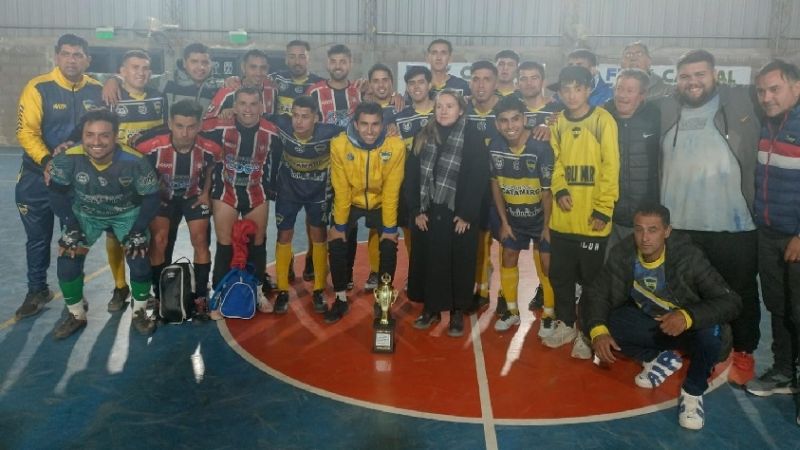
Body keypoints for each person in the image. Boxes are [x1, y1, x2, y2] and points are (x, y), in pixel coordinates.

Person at [584, 203, 741, 430]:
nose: (645, 238)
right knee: (599, 321)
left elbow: (731, 301)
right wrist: (598, 331)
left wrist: (687, 316)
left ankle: (692, 393)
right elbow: (597, 293)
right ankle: (657, 358)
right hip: (654, 325)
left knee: (711, 332)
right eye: (639, 229)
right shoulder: (623, 253)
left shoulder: (689, 257)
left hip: (689, 328)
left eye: (653, 230)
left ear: (667, 231)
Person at [659, 49, 761, 385]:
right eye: (686, 76)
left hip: (733, 224)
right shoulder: (666, 108)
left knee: (739, 291)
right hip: (680, 225)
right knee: (687, 293)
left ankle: (743, 350)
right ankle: (697, 347)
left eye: (700, 74)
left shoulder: (741, 101)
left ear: (715, 74)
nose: (693, 82)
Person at [48, 109, 160, 338]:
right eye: (89, 135)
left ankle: (139, 312)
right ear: (82, 135)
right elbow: (56, 193)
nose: (96, 142)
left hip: (125, 213)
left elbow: (151, 197)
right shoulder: (68, 157)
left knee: (139, 258)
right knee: (68, 258)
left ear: (116, 136)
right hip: (86, 214)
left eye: (104, 135)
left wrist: (138, 229)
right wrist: (71, 225)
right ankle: (76, 314)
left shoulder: (136, 161)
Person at [14, 33, 103, 320]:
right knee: (37, 239)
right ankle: (37, 290)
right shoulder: (38, 87)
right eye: (66, 54)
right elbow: (26, 132)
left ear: (88, 60)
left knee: (74, 239)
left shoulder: (98, 90)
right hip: (36, 178)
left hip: (77, 182)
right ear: (56, 57)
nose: (71, 60)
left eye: (78, 55)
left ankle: (73, 294)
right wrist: (47, 161)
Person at [544, 65, 619, 358]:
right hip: (563, 220)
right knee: (560, 276)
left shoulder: (603, 120)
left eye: (578, 88)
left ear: (589, 90)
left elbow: (611, 167)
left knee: (591, 282)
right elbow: (554, 161)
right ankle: (566, 324)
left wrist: (603, 208)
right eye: (566, 89)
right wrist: (560, 189)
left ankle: (588, 332)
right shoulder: (557, 122)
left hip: (592, 221)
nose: (572, 95)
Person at [406, 90, 490, 336]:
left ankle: (456, 312)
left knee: (459, 264)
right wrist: (416, 210)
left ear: (461, 110)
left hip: (458, 214)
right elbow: (411, 175)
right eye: (439, 106)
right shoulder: (423, 134)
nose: (443, 111)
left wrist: (467, 214)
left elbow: (478, 177)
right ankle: (430, 309)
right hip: (429, 213)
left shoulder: (472, 137)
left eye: (449, 106)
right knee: (429, 264)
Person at [746, 60, 800, 398]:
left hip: (795, 237)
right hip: (768, 233)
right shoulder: (765, 123)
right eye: (761, 91)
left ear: (796, 87)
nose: (767, 97)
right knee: (778, 307)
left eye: (775, 89)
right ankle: (783, 370)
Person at [134, 100, 221, 307]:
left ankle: (201, 295)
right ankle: (160, 294)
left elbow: (213, 167)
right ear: (170, 124)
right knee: (159, 240)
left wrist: (206, 193)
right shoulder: (149, 146)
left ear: (199, 126)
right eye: (179, 126)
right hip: (162, 198)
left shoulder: (211, 148)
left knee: (200, 240)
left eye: (191, 127)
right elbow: (134, 167)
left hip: (193, 197)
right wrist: (149, 193)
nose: (185, 133)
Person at [325, 102, 405, 324]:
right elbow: (341, 188)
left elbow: (392, 190)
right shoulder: (339, 145)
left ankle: (383, 301)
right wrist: (340, 227)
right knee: (337, 240)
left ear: (383, 124)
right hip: (351, 200)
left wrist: (390, 229)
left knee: (389, 243)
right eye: (364, 124)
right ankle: (340, 298)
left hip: (381, 202)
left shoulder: (396, 146)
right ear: (355, 124)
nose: (370, 130)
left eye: (375, 124)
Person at [203, 87, 280, 312]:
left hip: (256, 192)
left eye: (253, 104)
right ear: (234, 107)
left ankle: (258, 291)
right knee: (225, 244)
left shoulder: (272, 133)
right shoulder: (219, 127)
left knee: (257, 243)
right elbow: (191, 130)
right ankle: (219, 293)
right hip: (226, 191)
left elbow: (281, 159)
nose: (248, 109)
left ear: (261, 107)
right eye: (243, 104)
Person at [103, 49, 168, 312]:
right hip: (118, 181)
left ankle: (148, 287)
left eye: (145, 68)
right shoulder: (110, 96)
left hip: (151, 179)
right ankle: (120, 286)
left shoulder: (159, 97)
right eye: (134, 67)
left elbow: (165, 133)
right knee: (114, 234)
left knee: (148, 233)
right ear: (122, 71)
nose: (141, 72)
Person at [488, 96, 554, 333]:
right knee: (508, 257)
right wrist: (504, 222)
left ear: (525, 119)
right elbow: (495, 184)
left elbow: (547, 192)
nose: (510, 126)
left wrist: (546, 226)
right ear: (497, 124)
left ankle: (550, 314)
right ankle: (512, 311)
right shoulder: (495, 146)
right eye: (504, 121)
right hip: (514, 218)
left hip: (541, 219)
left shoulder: (541, 147)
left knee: (546, 264)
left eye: (515, 119)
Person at [271, 96, 340, 314]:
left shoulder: (329, 133)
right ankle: (283, 290)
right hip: (288, 189)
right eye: (295, 115)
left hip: (318, 191)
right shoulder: (282, 125)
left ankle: (318, 289)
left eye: (305, 117)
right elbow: (254, 116)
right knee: (284, 235)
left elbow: (358, 129)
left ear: (316, 118)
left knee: (318, 234)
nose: (298, 121)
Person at [604, 68, 660, 251]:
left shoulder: (656, 117)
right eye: (619, 89)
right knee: (611, 264)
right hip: (610, 216)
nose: (622, 95)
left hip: (646, 216)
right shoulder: (601, 117)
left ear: (642, 95)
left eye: (630, 90)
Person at [465, 61, 501, 310]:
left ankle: (507, 297)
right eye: (476, 79)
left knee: (509, 244)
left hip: (504, 188)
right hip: (473, 189)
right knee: (478, 239)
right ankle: (482, 289)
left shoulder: (507, 110)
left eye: (486, 79)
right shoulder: (462, 111)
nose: (480, 85)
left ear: (495, 82)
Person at [104, 42, 223, 113]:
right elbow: (138, 79)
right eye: (194, 61)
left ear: (211, 64)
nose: (200, 67)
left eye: (205, 62)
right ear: (184, 63)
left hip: (205, 144)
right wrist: (114, 80)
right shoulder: (166, 81)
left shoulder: (220, 87)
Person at [206, 49, 277, 119]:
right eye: (253, 67)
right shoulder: (228, 89)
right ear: (243, 67)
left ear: (268, 68)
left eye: (263, 68)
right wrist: (225, 116)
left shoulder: (273, 89)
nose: (258, 73)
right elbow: (207, 120)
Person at [307, 44, 362, 129]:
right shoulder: (314, 92)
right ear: (327, 64)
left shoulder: (359, 90)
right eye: (333, 62)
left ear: (350, 64)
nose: (337, 66)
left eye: (343, 62)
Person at [271, 40, 325, 117]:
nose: (297, 62)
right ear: (286, 60)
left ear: (308, 59)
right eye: (292, 57)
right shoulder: (276, 78)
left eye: (302, 57)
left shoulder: (319, 84)